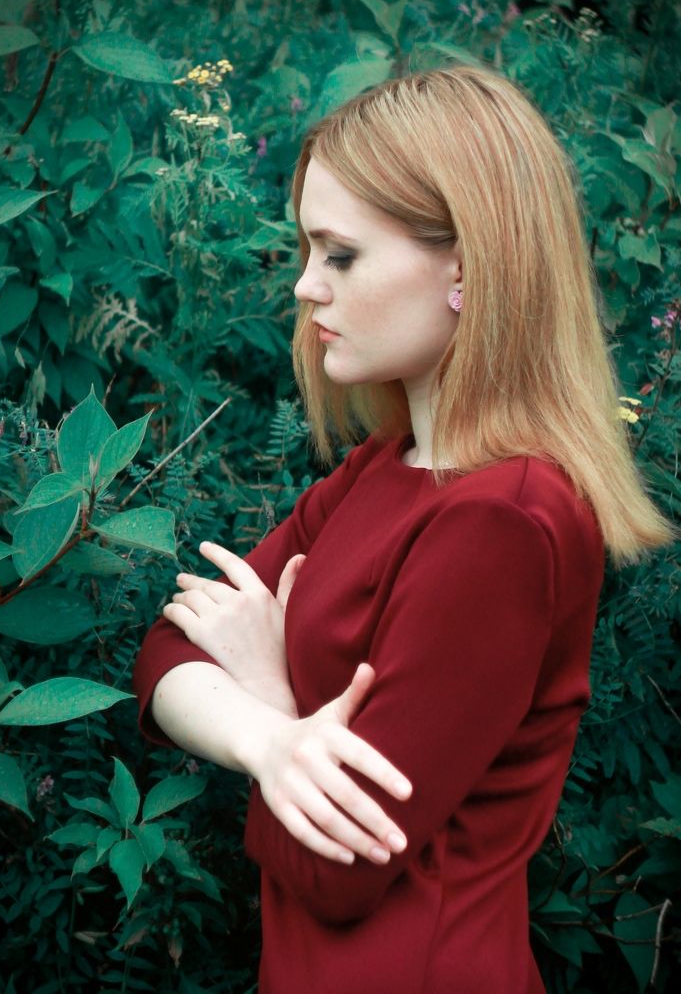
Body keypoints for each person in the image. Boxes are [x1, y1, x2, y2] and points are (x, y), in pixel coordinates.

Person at [132, 65, 674, 994]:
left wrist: (262, 691)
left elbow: (335, 869)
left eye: (340, 254)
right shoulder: (377, 476)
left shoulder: (505, 523)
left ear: (464, 265)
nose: (306, 286)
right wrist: (274, 746)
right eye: (309, 250)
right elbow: (164, 651)